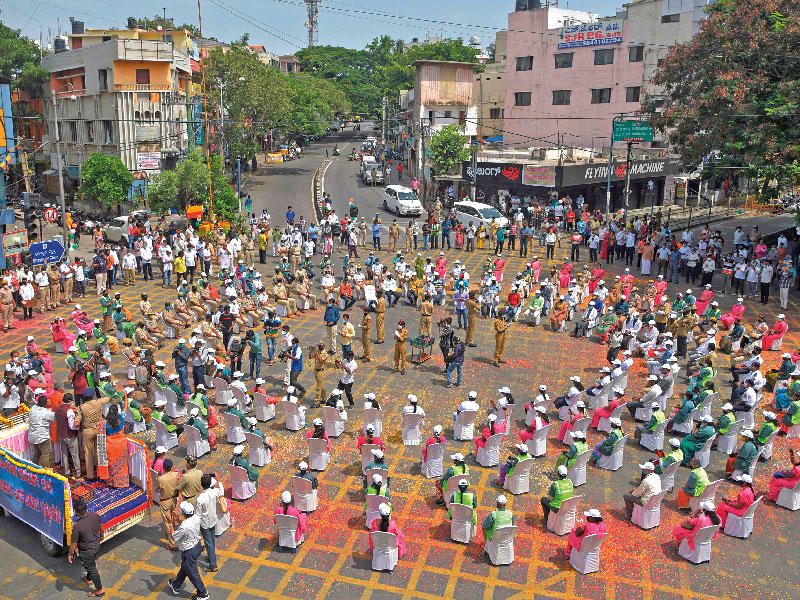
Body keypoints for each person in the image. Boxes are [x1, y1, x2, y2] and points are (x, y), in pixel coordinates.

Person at [168, 501, 209, 600]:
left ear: (183, 513)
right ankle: (176, 585)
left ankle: (203, 593)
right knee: (185, 567)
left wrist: (170, 523)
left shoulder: (185, 526)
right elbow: (186, 527)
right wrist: (177, 519)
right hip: (197, 546)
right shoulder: (196, 517)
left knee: (192, 573)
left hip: (189, 551)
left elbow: (174, 536)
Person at [68, 497, 105, 597]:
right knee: (91, 564)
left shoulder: (77, 526)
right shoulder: (95, 515)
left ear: (77, 513)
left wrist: (70, 554)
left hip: (86, 551)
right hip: (96, 546)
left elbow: (73, 543)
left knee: (92, 568)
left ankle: (100, 590)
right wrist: (102, 535)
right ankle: (88, 579)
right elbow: (101, 526)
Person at [196, 474, 225, 573]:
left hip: (205, 523)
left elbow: (198, 514)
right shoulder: (215, 491)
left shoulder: (200, 498)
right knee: (211, 540)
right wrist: (219, 480)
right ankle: (211, 556)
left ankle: (213, 565)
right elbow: (222, 492)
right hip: (213, 519)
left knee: (208, 543)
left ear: (201, 485)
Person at [157, 458, 180, 550]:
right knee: (173, 516)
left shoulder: (161, 479)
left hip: (165, 501)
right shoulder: (175, 474)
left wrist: (158, 476)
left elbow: (156, 489)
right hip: (173, 499)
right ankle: (172, 532)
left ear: (163, 467)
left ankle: (173, 544)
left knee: (167, 521)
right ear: (171, 467)